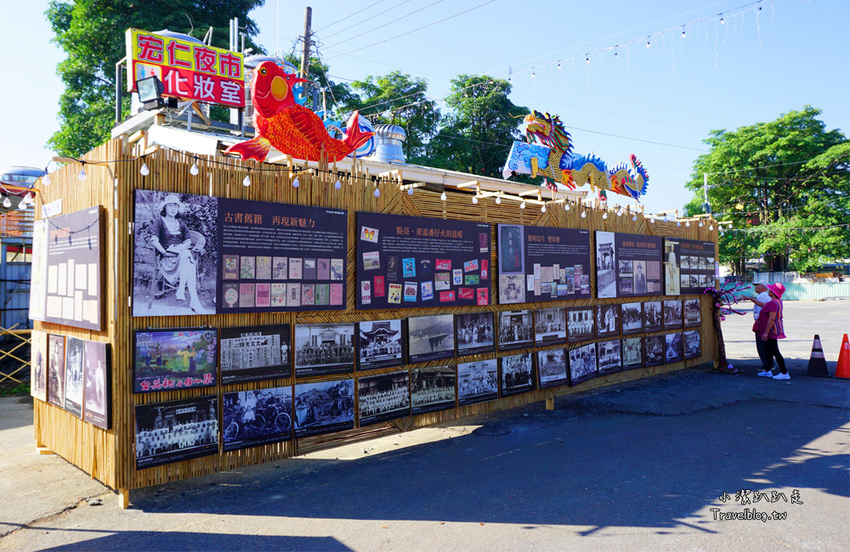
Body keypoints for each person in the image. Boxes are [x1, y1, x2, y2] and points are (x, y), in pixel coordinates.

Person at [149, 195, 208, 314]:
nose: (173, 208)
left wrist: (181, 247)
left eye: (176, 206)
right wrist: (165, 252)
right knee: (189, 262)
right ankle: (186, 295)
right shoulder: (159, 221)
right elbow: (154, 240)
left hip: (181, 255)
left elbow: (188, 242)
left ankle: (190, 297)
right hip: (167, 259)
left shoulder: (181, 223)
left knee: (187, 256)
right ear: (165, 207)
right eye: (171, 205)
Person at [752, 283, 789, 380]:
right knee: (768, 350)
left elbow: (771, 318)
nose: (768, 290)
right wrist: (750, 299)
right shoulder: (776, 302)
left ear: (772, 293)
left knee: (775, 351)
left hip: (772, 330)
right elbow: (762, 304)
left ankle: (784, 372)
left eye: (770, 290)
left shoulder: (773, 303)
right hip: (773, 329)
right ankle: (767, 370)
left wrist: (766, 333)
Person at [743, 282, 775, 376]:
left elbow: (763, 307)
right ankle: (768, 364)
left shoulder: (762, 296)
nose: (755, 287)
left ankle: (767, 364)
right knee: (766, 345)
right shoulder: (763, 296)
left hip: (762, 323)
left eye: (757, 285)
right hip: (763, 323)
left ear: (762, 287)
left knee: (762, 345)